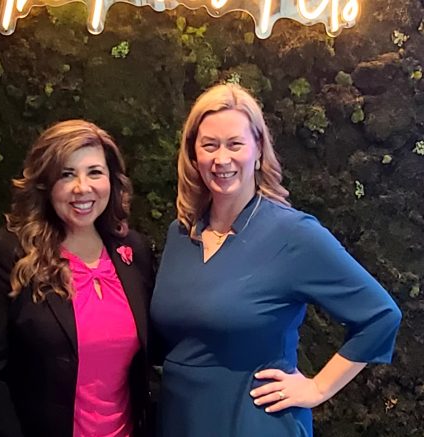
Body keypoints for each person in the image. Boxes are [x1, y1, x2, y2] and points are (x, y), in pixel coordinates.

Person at [150, 84, 402, 437]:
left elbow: (380, 315)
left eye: (235, 144)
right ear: (193, 154)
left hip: (253, 422)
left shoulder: (293, 234)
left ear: (258, 150)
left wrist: (318, 389)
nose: (222, 159)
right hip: (180, 420)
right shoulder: (181, 233)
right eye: (210, 145)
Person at [0, 120, 155, 437]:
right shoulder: (7, 253)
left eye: (94, 172)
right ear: (45, 184)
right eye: (67, 174)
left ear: (112, 180)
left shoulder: (133, 251)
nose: (83, 187)